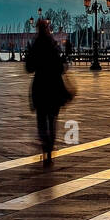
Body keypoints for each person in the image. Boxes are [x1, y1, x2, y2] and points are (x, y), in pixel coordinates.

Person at [26, 19, 72, 167]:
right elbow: (61, 68)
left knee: (41, 120)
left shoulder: (35, 46)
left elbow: (29, 68)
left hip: (40, 87)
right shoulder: (53, 45)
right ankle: (49, 152)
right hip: (54, 87)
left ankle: (45, 146)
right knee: (52, 120)